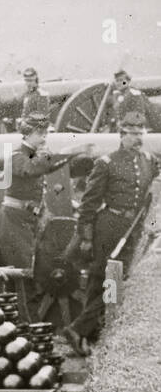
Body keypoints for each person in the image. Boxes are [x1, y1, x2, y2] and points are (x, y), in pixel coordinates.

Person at [66, 109, 157, 352]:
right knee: (102, 281)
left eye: (141, 133)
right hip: (109, 228)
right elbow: (88, 204)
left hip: (134, 231)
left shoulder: (148, 160)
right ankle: (79, 331)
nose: (137, 138)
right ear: (121, 135)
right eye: (132, 134)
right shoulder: (107, 163)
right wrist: (85, 237)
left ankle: (87, 332)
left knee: (117, 281)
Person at [0, 110, 63, 268]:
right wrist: (49, 156)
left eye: (45, 133)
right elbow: (30, 169)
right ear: (27, 134)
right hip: (13, 220)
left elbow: (45, 167)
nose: (44, 137)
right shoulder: (17, 155)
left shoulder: (35, 155)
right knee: (19, 267)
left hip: (27, 218)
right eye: (40, 133)